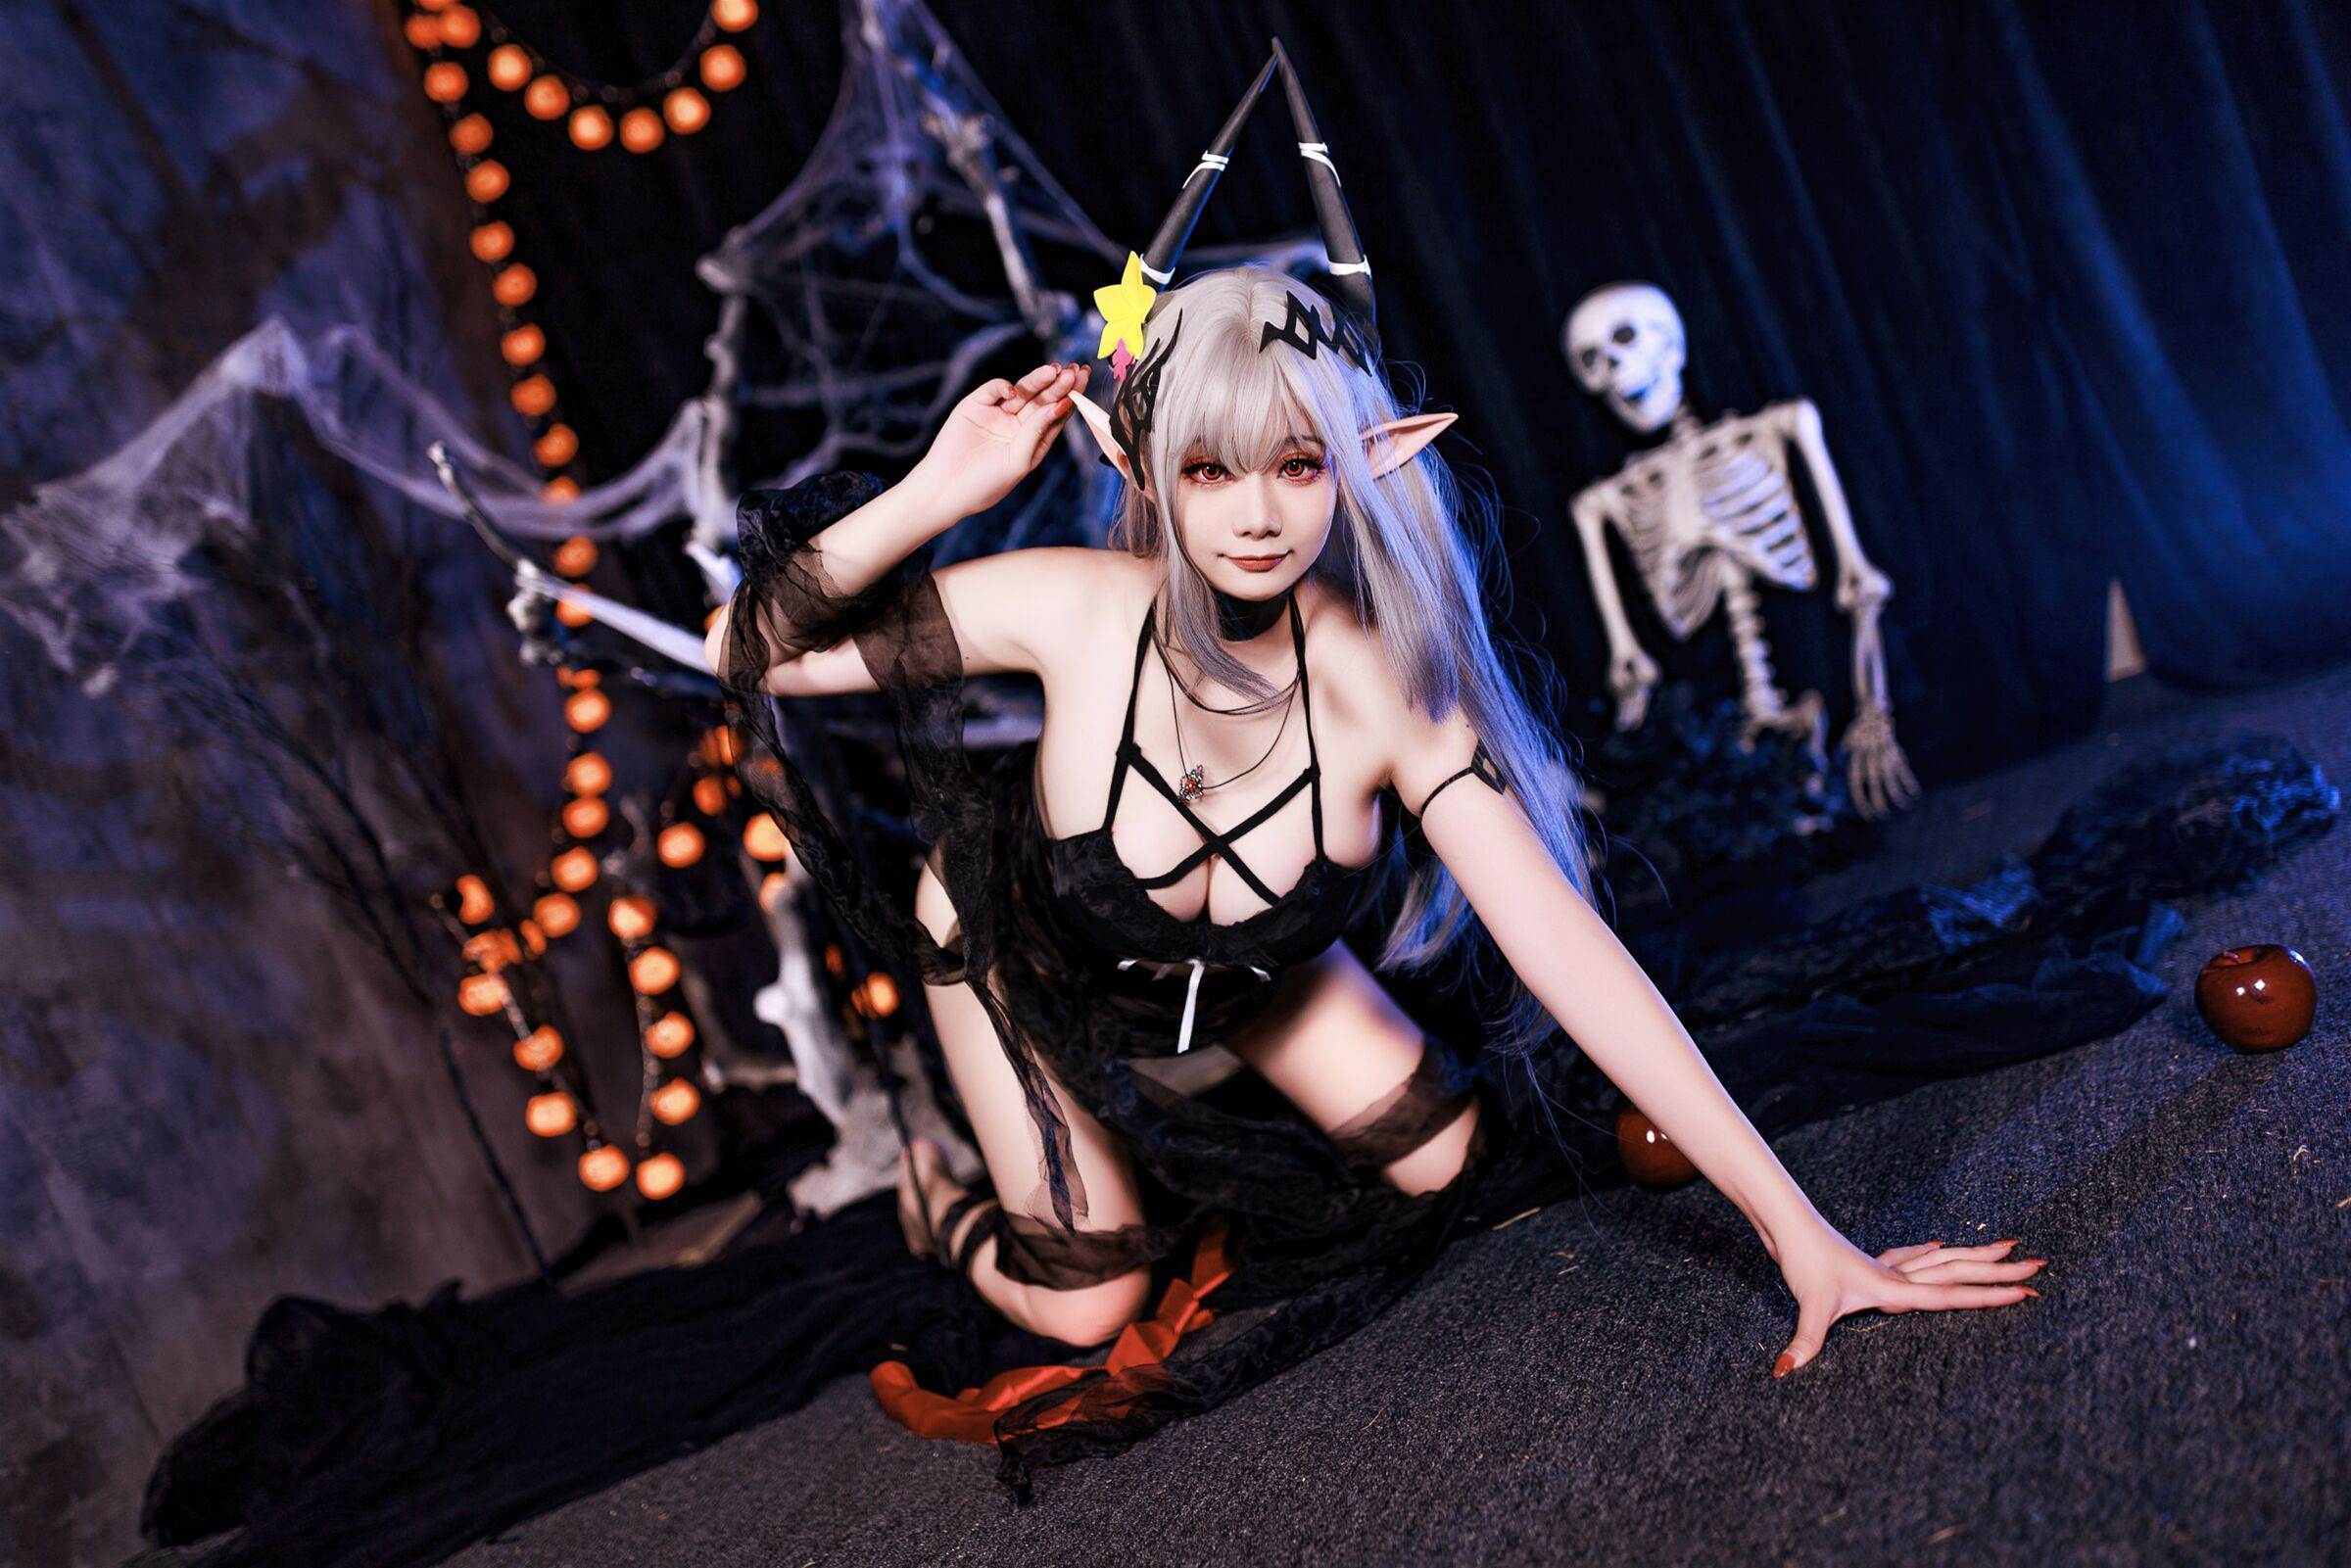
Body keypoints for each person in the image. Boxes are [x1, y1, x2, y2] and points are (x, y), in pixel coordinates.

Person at [701, 43, 2045, 1481]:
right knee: (1092, 1303)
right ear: (1140, 462)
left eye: (1299, 463)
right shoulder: (1067, 608)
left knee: (1450, 1164)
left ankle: (1189, 1102)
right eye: (1210, 468)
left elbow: (1570, 952)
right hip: (1024, 957)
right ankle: (933, 1188)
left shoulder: (1388, 693)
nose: (1257, 515)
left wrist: (1807, 1237)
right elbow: (745, 647)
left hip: (1253, 982)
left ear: (1370, 457)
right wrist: (935, 491)